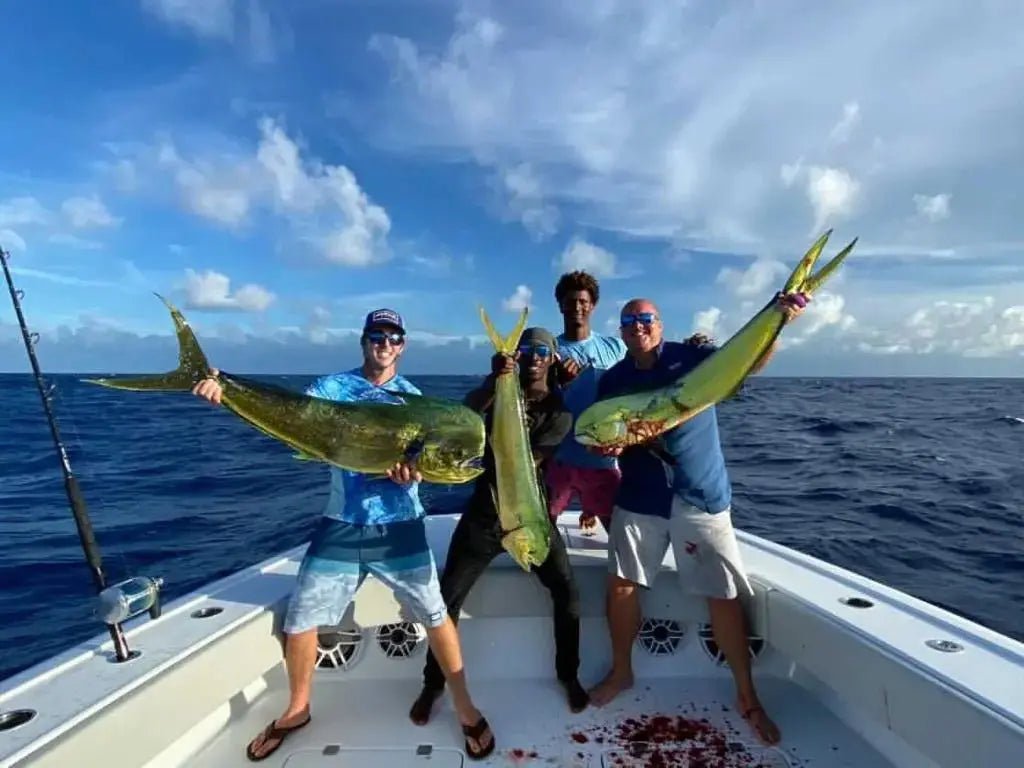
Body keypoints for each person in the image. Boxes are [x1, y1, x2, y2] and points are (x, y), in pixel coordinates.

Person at [191, 308, 494, 762]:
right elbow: (289, 418)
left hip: (398, 526)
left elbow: (428, 465)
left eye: (394, 337)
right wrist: (227, 391)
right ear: (364, 340)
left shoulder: (414, 401)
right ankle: (297, 710)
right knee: (300, 619)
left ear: (404, 346)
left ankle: (465, 707)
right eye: (377, 335)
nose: (385, 344)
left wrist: (412, 474)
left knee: (435, 613)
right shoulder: (331, 389)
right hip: (342, 523)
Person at [586, 293, 809, 747]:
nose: (638, 326)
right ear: (621, 331)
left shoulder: (694, 358)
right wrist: (608, 446)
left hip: (699, 494)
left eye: (646, 318)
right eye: (629, 321)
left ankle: (747, 695)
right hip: (641, 496)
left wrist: (779, 322)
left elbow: (749, 362)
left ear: (660, 323)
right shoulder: (613, 380)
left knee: (721, 594)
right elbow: (603, 436)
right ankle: (622, 671)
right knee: (621, 585)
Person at [409, 326, 591, 724]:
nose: (534, 357)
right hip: (483, 516)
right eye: (527, 350)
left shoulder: (560, 412)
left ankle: (569, 675)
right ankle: (432, 684)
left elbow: (525, 463)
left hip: (528, 516)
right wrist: (496, 380)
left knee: (567, 592)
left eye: (542, 351)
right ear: (518, 356)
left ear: (552, 358)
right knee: (446, 598)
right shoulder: (496, 392)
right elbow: (466, 414)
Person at [547, 271, 627, 531]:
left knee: (619, 536)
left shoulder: (616, 347)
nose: (577, 307)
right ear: (560, 305)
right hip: (559, 460)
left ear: (593, 305)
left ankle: (589, 506)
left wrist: (688, 349)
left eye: (583, 301)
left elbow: (645, 370)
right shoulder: (548, 351)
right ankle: (587, 506)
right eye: (570, 301)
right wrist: (557, 382)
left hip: (603, 463)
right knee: (541, 531)